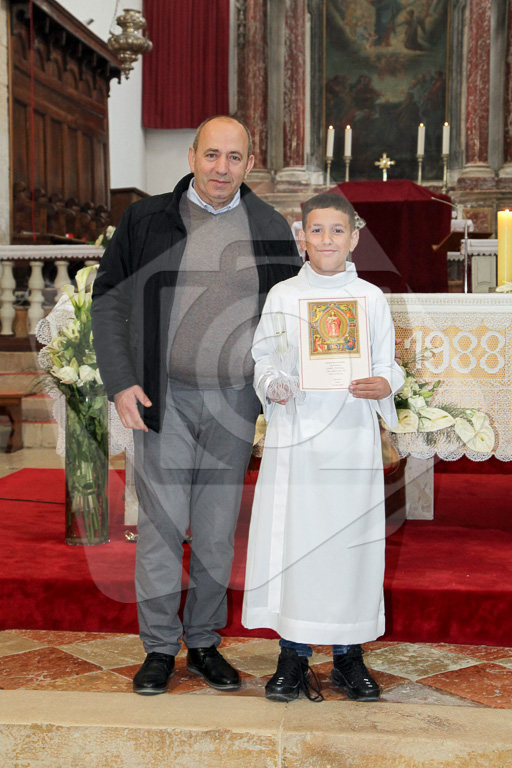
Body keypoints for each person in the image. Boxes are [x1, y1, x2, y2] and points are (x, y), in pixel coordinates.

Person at [91, 115, 302, 695]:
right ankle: (160, 649)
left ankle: (204, 641)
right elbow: (108, 301)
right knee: (161, 528)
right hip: (163, 397)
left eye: (234, 158)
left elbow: (289, 316)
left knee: (214, 533)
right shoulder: (146, 219)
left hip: (233, 401)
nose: (221, 168)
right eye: (212, 155)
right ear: (191, 156)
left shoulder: (268, 225)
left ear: (249, 164)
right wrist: (121, 381)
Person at [242, 193, 404, 702]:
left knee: (349, 544)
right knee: (296, 544)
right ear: (302, 237)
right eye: (317, 230)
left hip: (351, 438)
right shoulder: (283, 295)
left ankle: (348, 657)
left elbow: (388, 362)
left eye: (337, 230)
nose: (327, 239)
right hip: (297, 437)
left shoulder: (370, 298)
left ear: (354, 237)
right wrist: (273, 384)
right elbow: (264, 357)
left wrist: (384, 383)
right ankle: (292, 654)